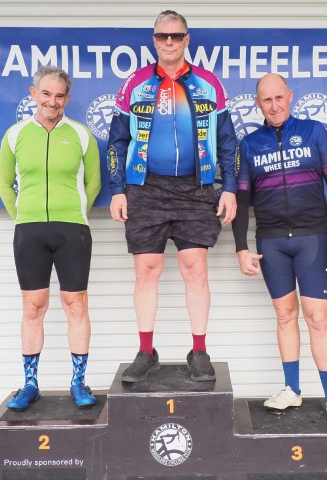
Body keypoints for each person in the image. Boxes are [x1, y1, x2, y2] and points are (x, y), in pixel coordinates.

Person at [107, 10, 238, 383]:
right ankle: (146, 351)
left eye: (176, 36)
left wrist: (229, 187)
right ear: (153, 40)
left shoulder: (209, 84)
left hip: (196, 187)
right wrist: (117, 190)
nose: (169, 42)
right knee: (146, 270)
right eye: (162, 36)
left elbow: (228, 142)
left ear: (187, 39)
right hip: (145, 187)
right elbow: (116, 142)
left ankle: (199, 350)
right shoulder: (135, 83)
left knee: (195, 269)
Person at [231, 73, 327, 426]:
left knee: (317, 318)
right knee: (285, 316)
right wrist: (241, 248)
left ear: (290, 96)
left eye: (279, 98)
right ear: (258, 104)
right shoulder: (249, 145)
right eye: (267, 100)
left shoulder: (314, 132)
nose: (274, 106)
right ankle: (291, 388)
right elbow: (241, 199)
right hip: (271, 242)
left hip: (311, 238)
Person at [0, 66, 101, 410]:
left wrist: (76, 213)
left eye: (59, 96)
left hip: (72, 229)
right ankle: (30, 384)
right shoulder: (15, 134)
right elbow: (4, 184)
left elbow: (93, 184)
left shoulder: (81, 135)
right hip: (30, 231)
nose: (52, 102)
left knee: (76, 304)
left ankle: (78, 382)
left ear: (67, 98)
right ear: (34, 93)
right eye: (46, 94)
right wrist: (22, 217)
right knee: (32, 307)